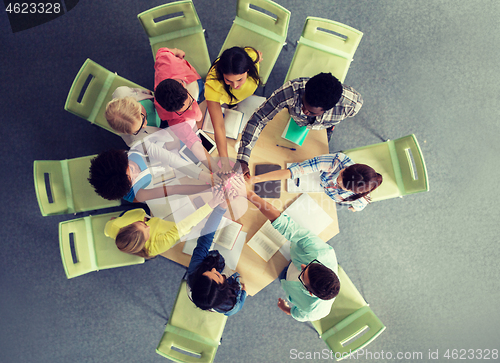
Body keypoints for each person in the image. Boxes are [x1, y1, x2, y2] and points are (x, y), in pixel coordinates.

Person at [244, 181, 340, 321]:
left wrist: (285, 308)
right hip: (291, 257)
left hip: (287, 279)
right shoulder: (323, 253)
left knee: (281, 275)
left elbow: (296, 313)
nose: (301, 266)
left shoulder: (312, 311)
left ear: (310, 292)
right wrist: (249, 195)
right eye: (308, 265)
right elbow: (287, 226)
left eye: (303, 273)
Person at [237, 73, 363, 175]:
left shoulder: (351, 105)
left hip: (324, 127)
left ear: (327, 109)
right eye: (303, 104)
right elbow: (259, 118)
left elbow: (357, 104)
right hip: (295, 120)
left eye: (311, 112)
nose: (304, 111)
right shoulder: (291, 90)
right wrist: (243, 158)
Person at [104, 191, 226, 258]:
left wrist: (115, 220)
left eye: (142, 223)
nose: (148, 225)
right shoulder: (157, 245)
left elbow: (108, 227)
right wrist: (212, 203)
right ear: (146, 240)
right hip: (171, 226)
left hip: (141, 214)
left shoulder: (113, 226)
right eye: (146, 229)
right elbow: (186, 225)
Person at [248, 153, 382, 212]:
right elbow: (293, 172)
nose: (337, 180)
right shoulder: (336, 161)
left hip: (319, 190)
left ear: (352, 191)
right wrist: (255, 179)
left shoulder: (361, 200)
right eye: (341, 174)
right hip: (316, 177)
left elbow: (358, 207)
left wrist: (353, 209)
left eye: (341, 184)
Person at [187, 191, 246, 316]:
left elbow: (205, 238)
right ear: (224, 288)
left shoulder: (194, 270)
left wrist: (221, 207)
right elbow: (240, 302)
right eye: (217, 276)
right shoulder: (230, 306)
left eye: (208, 272)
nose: (214, 269)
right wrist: (244, 292)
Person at [205, 46, 262, 172]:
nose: (235, 85)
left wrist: (259, 57)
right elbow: (219, 126)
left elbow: (256, 54)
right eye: (228, 80)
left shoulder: (250, 55)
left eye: (240, 79)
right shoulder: (212, 86)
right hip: (228, 100)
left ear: (248, 69)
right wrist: (224, 162)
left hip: (247, 97)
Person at [153, 47, 210, 168]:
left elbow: (162, 51)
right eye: (182, 111)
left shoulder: (167, 61)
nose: (190, 109)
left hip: (194, 80)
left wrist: (177, 51)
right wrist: (213, 167)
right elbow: (192, 141)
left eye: (189, 103)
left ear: (183, 86)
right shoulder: (169, 116)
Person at [88, 148, 211, 202]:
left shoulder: (128, 153)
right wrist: (208, 188)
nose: (137, 172)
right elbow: (174, 189)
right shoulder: (139, 194)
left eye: (131, 167)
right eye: (133, 178)